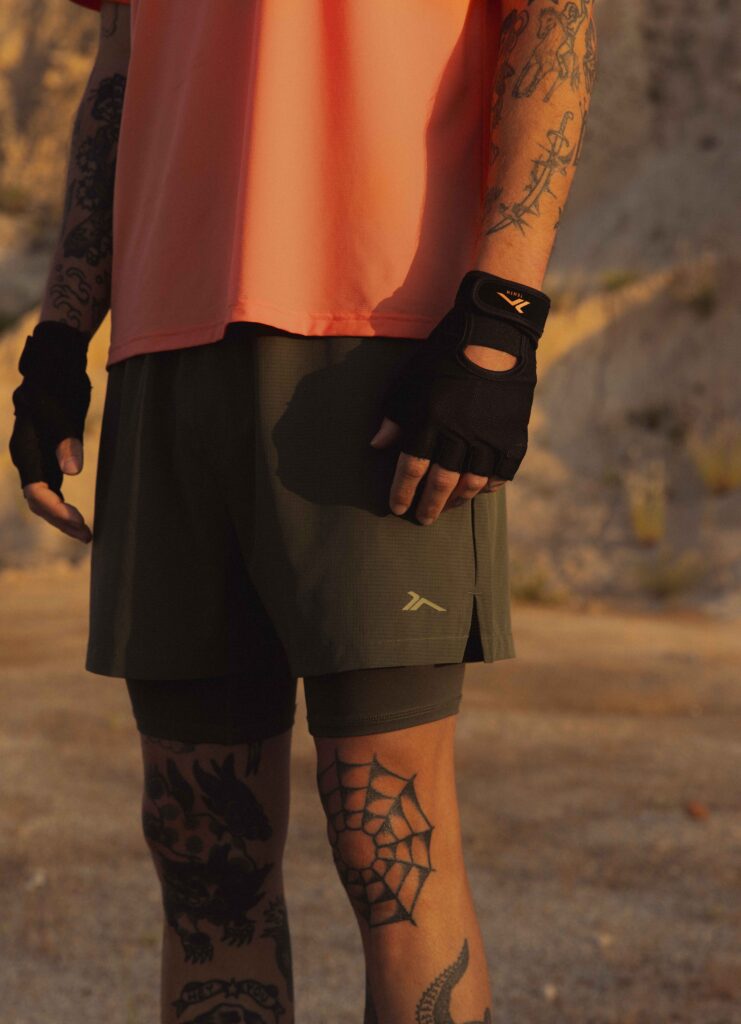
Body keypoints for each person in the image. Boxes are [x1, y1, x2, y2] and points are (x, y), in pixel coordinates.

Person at [9, 1, 597, 1021]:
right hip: (162, 341)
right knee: (202, 854)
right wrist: (62, 335)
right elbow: (122, 57)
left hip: (378, 327)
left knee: (389, 851)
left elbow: (556, 15)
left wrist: (503, 312)